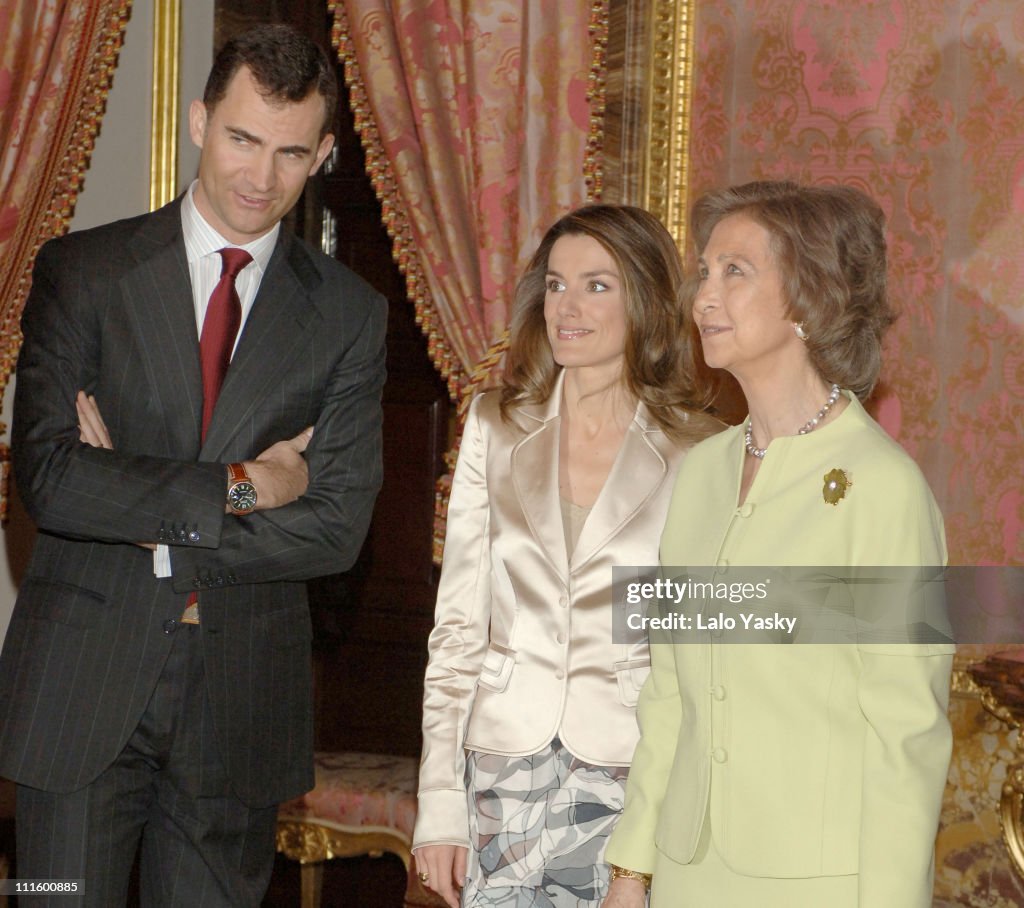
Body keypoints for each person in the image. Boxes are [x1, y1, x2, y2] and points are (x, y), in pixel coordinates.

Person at [0, 24, 386, 906]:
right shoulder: (84, 273)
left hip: (240, 709)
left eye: (292, 153)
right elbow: (54, 479)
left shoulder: (348, 316)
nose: (261, 176)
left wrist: (145, 514)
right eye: (244, 139)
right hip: (79, 695)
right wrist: (247, 486)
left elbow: (334, 526)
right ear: (199, 122)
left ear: (323, 153)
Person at [602, 180, 954, 907]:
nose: (703, 296)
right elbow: (668, 693)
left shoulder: (884, 489)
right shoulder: (700, 474)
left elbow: (905, 738)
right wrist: (632, 869)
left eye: (735, 271)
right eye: (705, 271)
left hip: (819, 884)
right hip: (687, 874)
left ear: (810, 300)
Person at [412, 204, 722, 907]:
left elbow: (697, 657)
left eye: (597, 285)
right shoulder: (495, 424)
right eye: (555, 285)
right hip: (499, 769)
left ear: (643, 300)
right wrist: (438, 803)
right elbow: (458, 628)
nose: (568, 307)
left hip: (627, 774)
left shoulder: (700, 450)